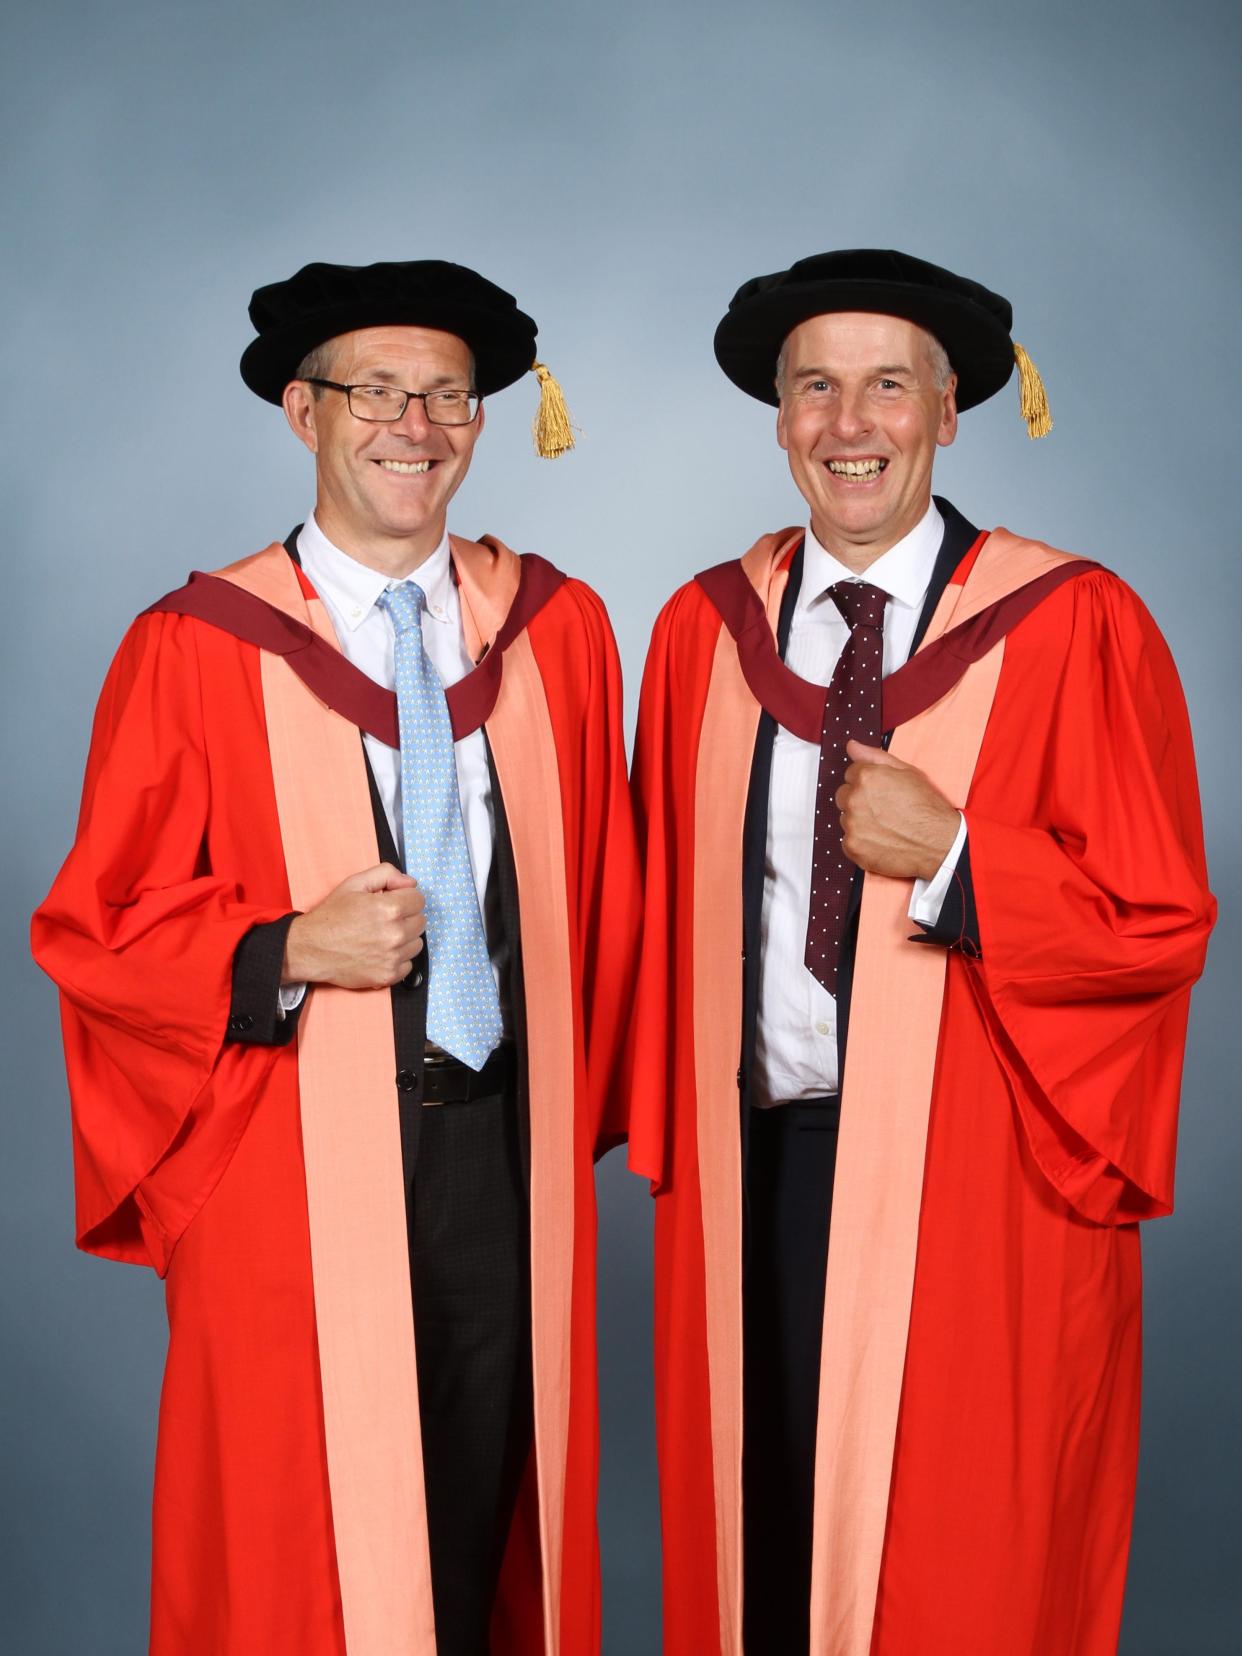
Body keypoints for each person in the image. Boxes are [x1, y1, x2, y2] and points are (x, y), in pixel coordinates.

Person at [32, 258, 640, 1656]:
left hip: (506, 1153)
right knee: (306, 1546)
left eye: (446, 396)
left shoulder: (558, 635)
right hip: (290, 1159)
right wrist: (282, 947)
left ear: (482, 421)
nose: (412, 428)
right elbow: (96, 925)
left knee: (491, 1516)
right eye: (376, 391)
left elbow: (619, 890)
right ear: (303, 411)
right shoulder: (191, 647)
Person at [628, 248, 1216, 1656]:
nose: (849, 424)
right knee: (765, 1559)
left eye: (887, 386)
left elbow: (1154, 921)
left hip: (981, 1186)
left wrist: (955, 857)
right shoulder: (700, 636)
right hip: (755, 1170)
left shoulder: (1074, 621)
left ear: (949, 414)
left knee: (953, 1578)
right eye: (813, 388)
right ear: (775, 419)